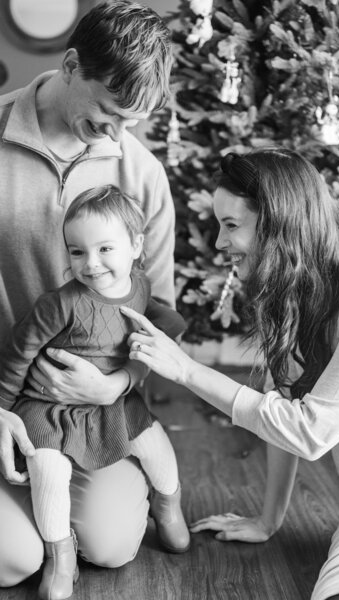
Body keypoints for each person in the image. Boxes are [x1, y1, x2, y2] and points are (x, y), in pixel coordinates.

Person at [123, 147, 339, 600]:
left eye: (231, 225)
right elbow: (282, 403)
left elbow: (311, 431)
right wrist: (268, 520)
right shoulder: (293, 284)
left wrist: (188, 371)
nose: (217, 242)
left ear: (278, 223)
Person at [0, 0, 177, 589]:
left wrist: (118, 384)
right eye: (108, 113)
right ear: (72, 65)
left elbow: (159, 318)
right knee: (14, 560)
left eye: (134, 121)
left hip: (100, 413)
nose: (119, 137)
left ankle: (128, 498)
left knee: (108, 547)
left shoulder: (142, 174)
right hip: (6, 402)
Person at [0, 185, 190, 599]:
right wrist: (2, 408)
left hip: (112, 403)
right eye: (77, 251)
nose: (91, 264)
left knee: (156, 447)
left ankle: (168, 505)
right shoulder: (59, 304)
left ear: (136, 245)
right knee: (47, 470)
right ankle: (60, 557)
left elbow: (158, 323)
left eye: (105, 249)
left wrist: (169, 333)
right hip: (48, 407)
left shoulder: (138, 286)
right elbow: (19, 353)